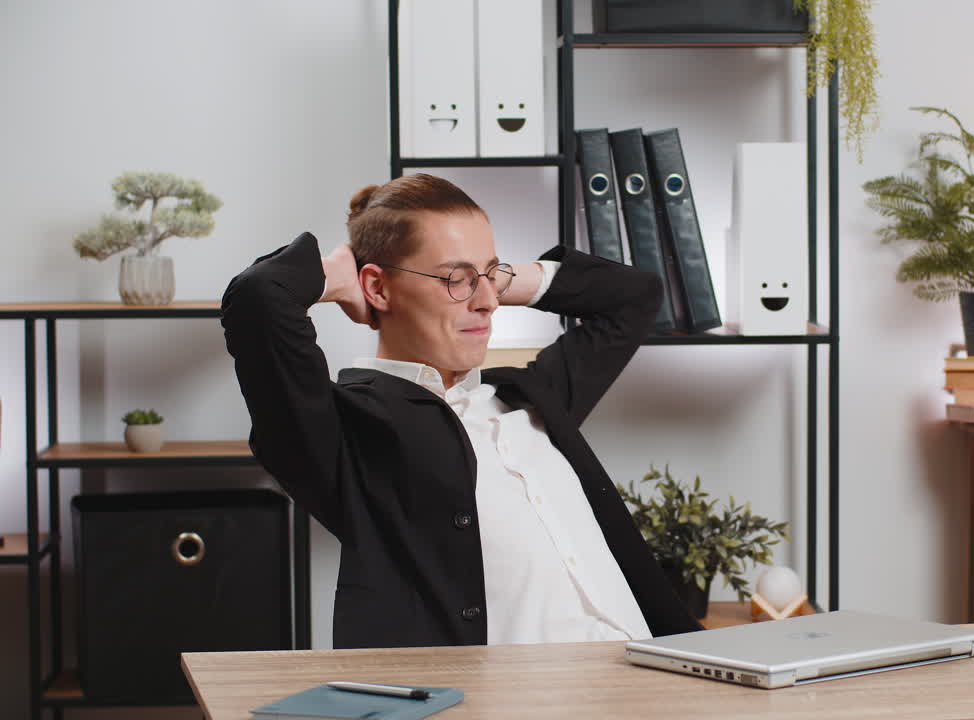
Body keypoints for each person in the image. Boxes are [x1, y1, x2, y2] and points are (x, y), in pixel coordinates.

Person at [221, 173, 701, 649]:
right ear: (378, 288)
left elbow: (635, 296)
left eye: (491, 276)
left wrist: (491, 277)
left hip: (660, 674)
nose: (489, 302)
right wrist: (341, 274)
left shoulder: (530, 395)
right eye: (456, 278)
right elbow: (258, 297)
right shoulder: (345, 432)